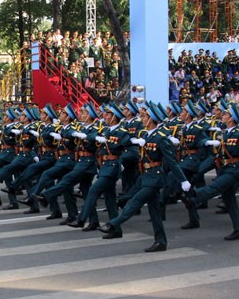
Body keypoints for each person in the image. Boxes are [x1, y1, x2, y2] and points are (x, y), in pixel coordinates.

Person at [99, 102, 191, 252]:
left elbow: (172, 161)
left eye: (145, 116)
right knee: (154, 211)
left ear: (152, 119)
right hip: (146, 176)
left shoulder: (161, 137)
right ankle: (160, 241)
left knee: (135, 202)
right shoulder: (144, 134)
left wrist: (183, 180)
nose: (142, 118)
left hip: (156, 177)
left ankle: (113, 224)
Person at [68, 102, 129, 238]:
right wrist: (96, 137)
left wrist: (123, 159)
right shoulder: (106, 130)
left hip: (112, 167)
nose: (104, 116)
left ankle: (81, 219)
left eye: (107, 114)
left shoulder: (121, 132)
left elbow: (129, 144)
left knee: (94, 190)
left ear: (114, 117)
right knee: (110, 199)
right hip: (105, 166)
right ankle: (116, 229)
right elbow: (90, 136)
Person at [181, 102, 239, 241]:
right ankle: (237, 228)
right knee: (229, 199)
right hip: (225, 167)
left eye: (225, 114)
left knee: (216, 186)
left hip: (235, 169)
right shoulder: (224, 132)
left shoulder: (237, 133)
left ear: (232, 118)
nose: (223, 116)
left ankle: (194, 198)